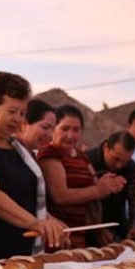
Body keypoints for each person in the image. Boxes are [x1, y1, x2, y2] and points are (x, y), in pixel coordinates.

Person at [0, 72, 67, 260]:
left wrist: (48, 220)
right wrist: (35, 223)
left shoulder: (18, 149)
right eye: (12, 111)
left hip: (20, 253)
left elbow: (22, 197)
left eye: (22, 113)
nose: (18, 119)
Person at [38, 105, 126, 248]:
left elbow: (93, 188)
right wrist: (98, 190)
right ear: (54, 128)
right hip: (60, 238)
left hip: (82, 238)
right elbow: (60, 196)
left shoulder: (81, 155)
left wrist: (107, 184)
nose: (71, 135)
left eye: (76, 130)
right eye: (65, 129)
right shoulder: (49, 154)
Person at [86, 131, 135, 241]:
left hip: (117, 229)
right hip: (86, 228)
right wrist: (97, 228)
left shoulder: (131, 167)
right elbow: (81, 199)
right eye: (116, 158)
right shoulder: (87, 160)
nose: (119, 165)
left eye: (124, 161)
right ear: (106, 147)